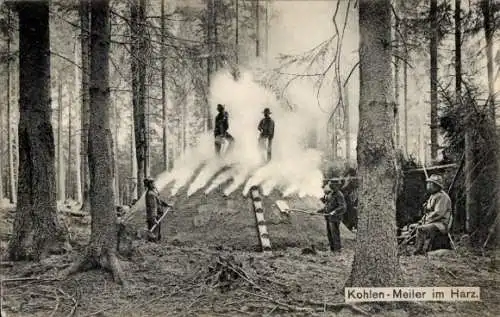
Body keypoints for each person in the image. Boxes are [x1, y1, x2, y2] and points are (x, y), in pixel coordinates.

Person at [413, 174, 452, 255]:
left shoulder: (442, 197)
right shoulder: (432, 196)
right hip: (432, 222)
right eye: (428, 183)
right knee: (411, 227)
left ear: (436, 186)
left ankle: (418, 251)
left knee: (421, 229)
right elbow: (428, 212)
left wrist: (426, 221)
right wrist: (422, 220)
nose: (428, 185)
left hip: (440, 224)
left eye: (430, 183)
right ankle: (421, 248)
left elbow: (438, 213)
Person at [319, 181, 347, 252]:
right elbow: (327, 206)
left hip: (335, 218)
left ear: (337, 186)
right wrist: (319, 211)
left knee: (334, 234)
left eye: (333, 185)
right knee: (329, 234)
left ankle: (337, 250)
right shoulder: (330, 194)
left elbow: (343, 206)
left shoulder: (339, 194)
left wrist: (334, 212)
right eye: (330, 185)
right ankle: (332, 250)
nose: (331, 186)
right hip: (328, 217)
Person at [144, 177, 171, 242]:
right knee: (154, 235)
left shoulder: (152, 193)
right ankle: (153, 247)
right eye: (153, 183)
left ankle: (154, 246)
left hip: (156, 216)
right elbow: (152, 207)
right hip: (154, 217)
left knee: (156, 233)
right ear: (150, 184)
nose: (154, 184)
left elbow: (159, 201)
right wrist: (153, 218)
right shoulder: (150, 194)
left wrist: (166, 205)